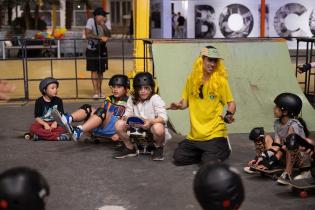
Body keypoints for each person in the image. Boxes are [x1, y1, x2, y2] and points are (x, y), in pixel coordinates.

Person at [169, 46, 235, 166]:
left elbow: (231, 103)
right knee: (179, 158)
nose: (213, 64)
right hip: (195, 136)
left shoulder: (221, 81)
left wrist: (229, 114)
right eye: (210, 60)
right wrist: (178, 106)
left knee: (208, 164)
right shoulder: (191, 79)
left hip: (214, 133)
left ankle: (223, 149)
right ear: (201, 60)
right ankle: (207, 153)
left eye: (215, 61)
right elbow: (185, 103)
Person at [243, 93, 311, 184]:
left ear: (285, 112)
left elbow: (287, 146)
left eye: (276, 107)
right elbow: (276, 146)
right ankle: (263, 163)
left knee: (289, 145)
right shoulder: (277, 123)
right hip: (285, 153)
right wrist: (262, 158)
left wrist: (270, 162)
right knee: (262, 136)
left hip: (300, 158)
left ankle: (288, 173)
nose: (274, 109)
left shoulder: (294, 125)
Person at [52, 74, 129, 142]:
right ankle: (68, 118)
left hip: (113, 131)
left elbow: (129, 121)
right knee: (88, 107)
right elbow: (99, 115)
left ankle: (79, 130)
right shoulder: (109, 99)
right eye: (113, 87)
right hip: (102, 127)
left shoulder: (129, 102)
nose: (115, 89)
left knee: (102, 111)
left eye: (119, 87)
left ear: (126, 89)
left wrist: (120, 134)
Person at [113, 72, 171, 161]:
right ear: (136, 90)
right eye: (140, 88)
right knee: (118, 124)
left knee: (159, 128)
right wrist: (126, 117)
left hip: (151, 126)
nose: (143, 91)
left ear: (151, 88)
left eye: (146, 88)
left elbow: (163, 117)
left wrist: (150, 121)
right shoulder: (132, 98)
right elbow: (127, 113)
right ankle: (129, 148)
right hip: (136, 126)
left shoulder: (156, 98)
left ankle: (158, 148)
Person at [86, 7, 111, 99]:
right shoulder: (90, 21)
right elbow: (87, 35)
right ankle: (95, 91)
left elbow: (109, 35)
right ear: (96, 16)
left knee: (101, 71)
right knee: (94, 70)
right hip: (91, 49)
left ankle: (100, 91)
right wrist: (100, 38)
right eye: (102, 16)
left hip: (102, 49)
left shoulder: (106, 22)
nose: (104, 17)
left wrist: (103, 25)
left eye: (104, 16)